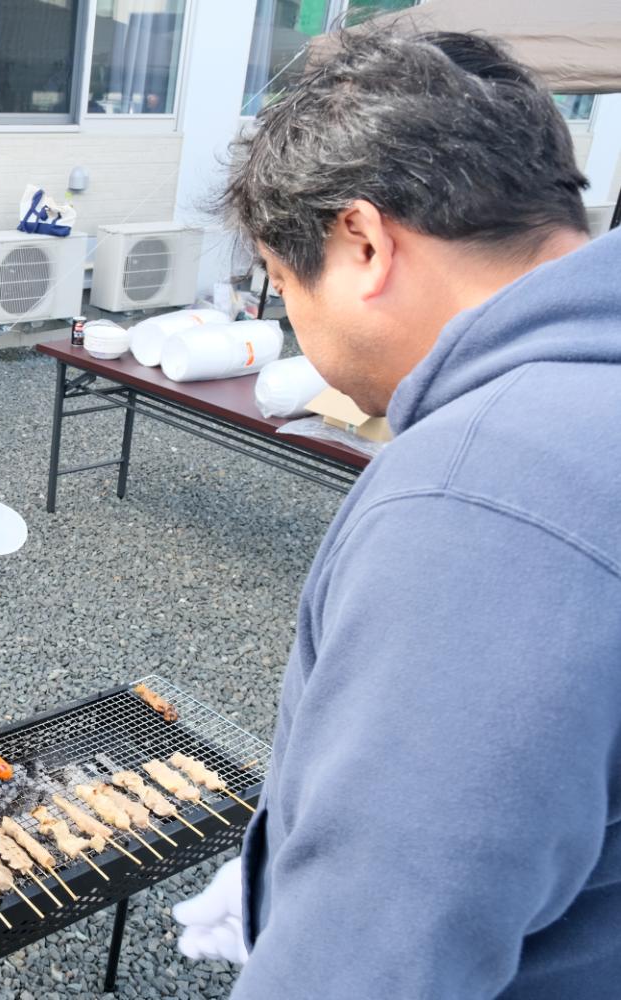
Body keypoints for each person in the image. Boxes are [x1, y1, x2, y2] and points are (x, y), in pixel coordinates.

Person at [171, 30, 620, 998]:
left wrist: (326, 918)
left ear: (364, 243)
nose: (286, 316)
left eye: (280, 285)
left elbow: (371, 965)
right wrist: (283, 872)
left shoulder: (482, 497)